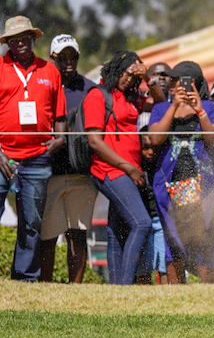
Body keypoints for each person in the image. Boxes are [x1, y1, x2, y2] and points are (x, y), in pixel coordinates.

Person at [148, 61, 214, 284]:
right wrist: (173, 106)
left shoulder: (209, 107)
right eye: (173, 81)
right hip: (170, 182)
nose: (173, 84)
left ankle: (205, 287)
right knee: (174, 234)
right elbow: (155, 138)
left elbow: (213, 140)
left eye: (177, 80)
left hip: (202, 181)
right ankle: (177, 286)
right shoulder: (161, 108)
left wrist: (199, 109)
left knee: (204, 232)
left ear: (193, 82)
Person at [0, 16, 66, 281]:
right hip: (3, 155)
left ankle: (24, 278)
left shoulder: (50, 70)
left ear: (33, 39)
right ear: (8, 43)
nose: (19, 43)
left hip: (38, 158)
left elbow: (60, 116)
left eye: (24, 38)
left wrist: (59, 139)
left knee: (32, 222)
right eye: (14, 39)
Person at [83, 50, 157, 285]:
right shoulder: (98, 95)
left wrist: (147, 78)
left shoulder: (133, 97)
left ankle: (115, 287)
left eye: (133, 77)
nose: (129, 79)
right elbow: (94, 141)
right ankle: (125, 285)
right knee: (142, 223)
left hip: (127, 171)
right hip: (110, 170)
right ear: (116, 69)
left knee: (116, 229)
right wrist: (127, 166)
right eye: (127, 73)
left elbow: (162, 105)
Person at [39, 34, 98, 283]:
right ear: (54, 59)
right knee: (47, 235)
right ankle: (45, 286)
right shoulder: (44, 85)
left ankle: (74, 288)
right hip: (49, 172)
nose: (68, 62)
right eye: (62, 58)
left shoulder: (90, 89)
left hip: (81, 172)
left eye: (72, 56)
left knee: (78, 234)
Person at [135, 127, 168, 284]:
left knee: (165, 267)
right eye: (145, 148)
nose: (150, 152)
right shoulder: (136, 169)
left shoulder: (164, 167)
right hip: (144, 223)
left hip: (162, 222)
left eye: (154, 148)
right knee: (143, 269)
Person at [136, 62, 171, 130]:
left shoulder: (176, 102)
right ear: (147, 77)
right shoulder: (137, 100)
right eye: (156, 74)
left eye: (165, 75)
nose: (161, 78)